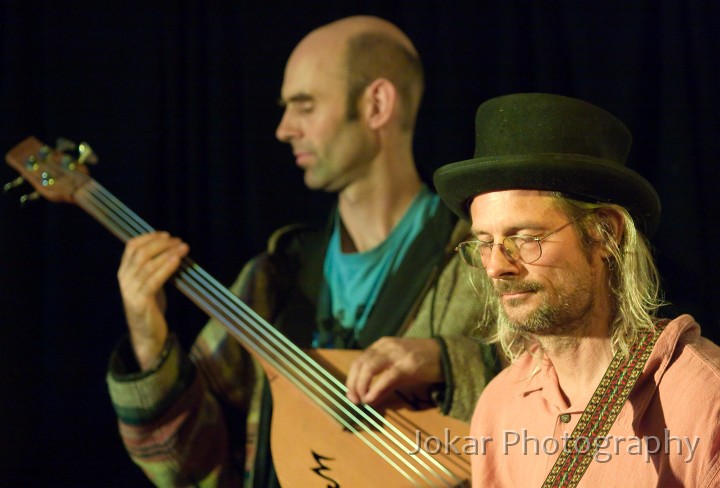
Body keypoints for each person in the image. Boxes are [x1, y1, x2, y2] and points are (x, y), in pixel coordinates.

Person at [106, 15, 498, 487]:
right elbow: (181, 465)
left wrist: (446, 361)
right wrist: (148, 341)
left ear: (376, 104)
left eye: (305, 106)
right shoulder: (274, 278)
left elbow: (568, 406)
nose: (284, 129)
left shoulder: (483, 260)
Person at [433, 92, 720, 487]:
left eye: (526, 237)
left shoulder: (705, 401)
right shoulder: (499, 407)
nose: (497, 266)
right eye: (485, 242)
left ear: (604, 233)